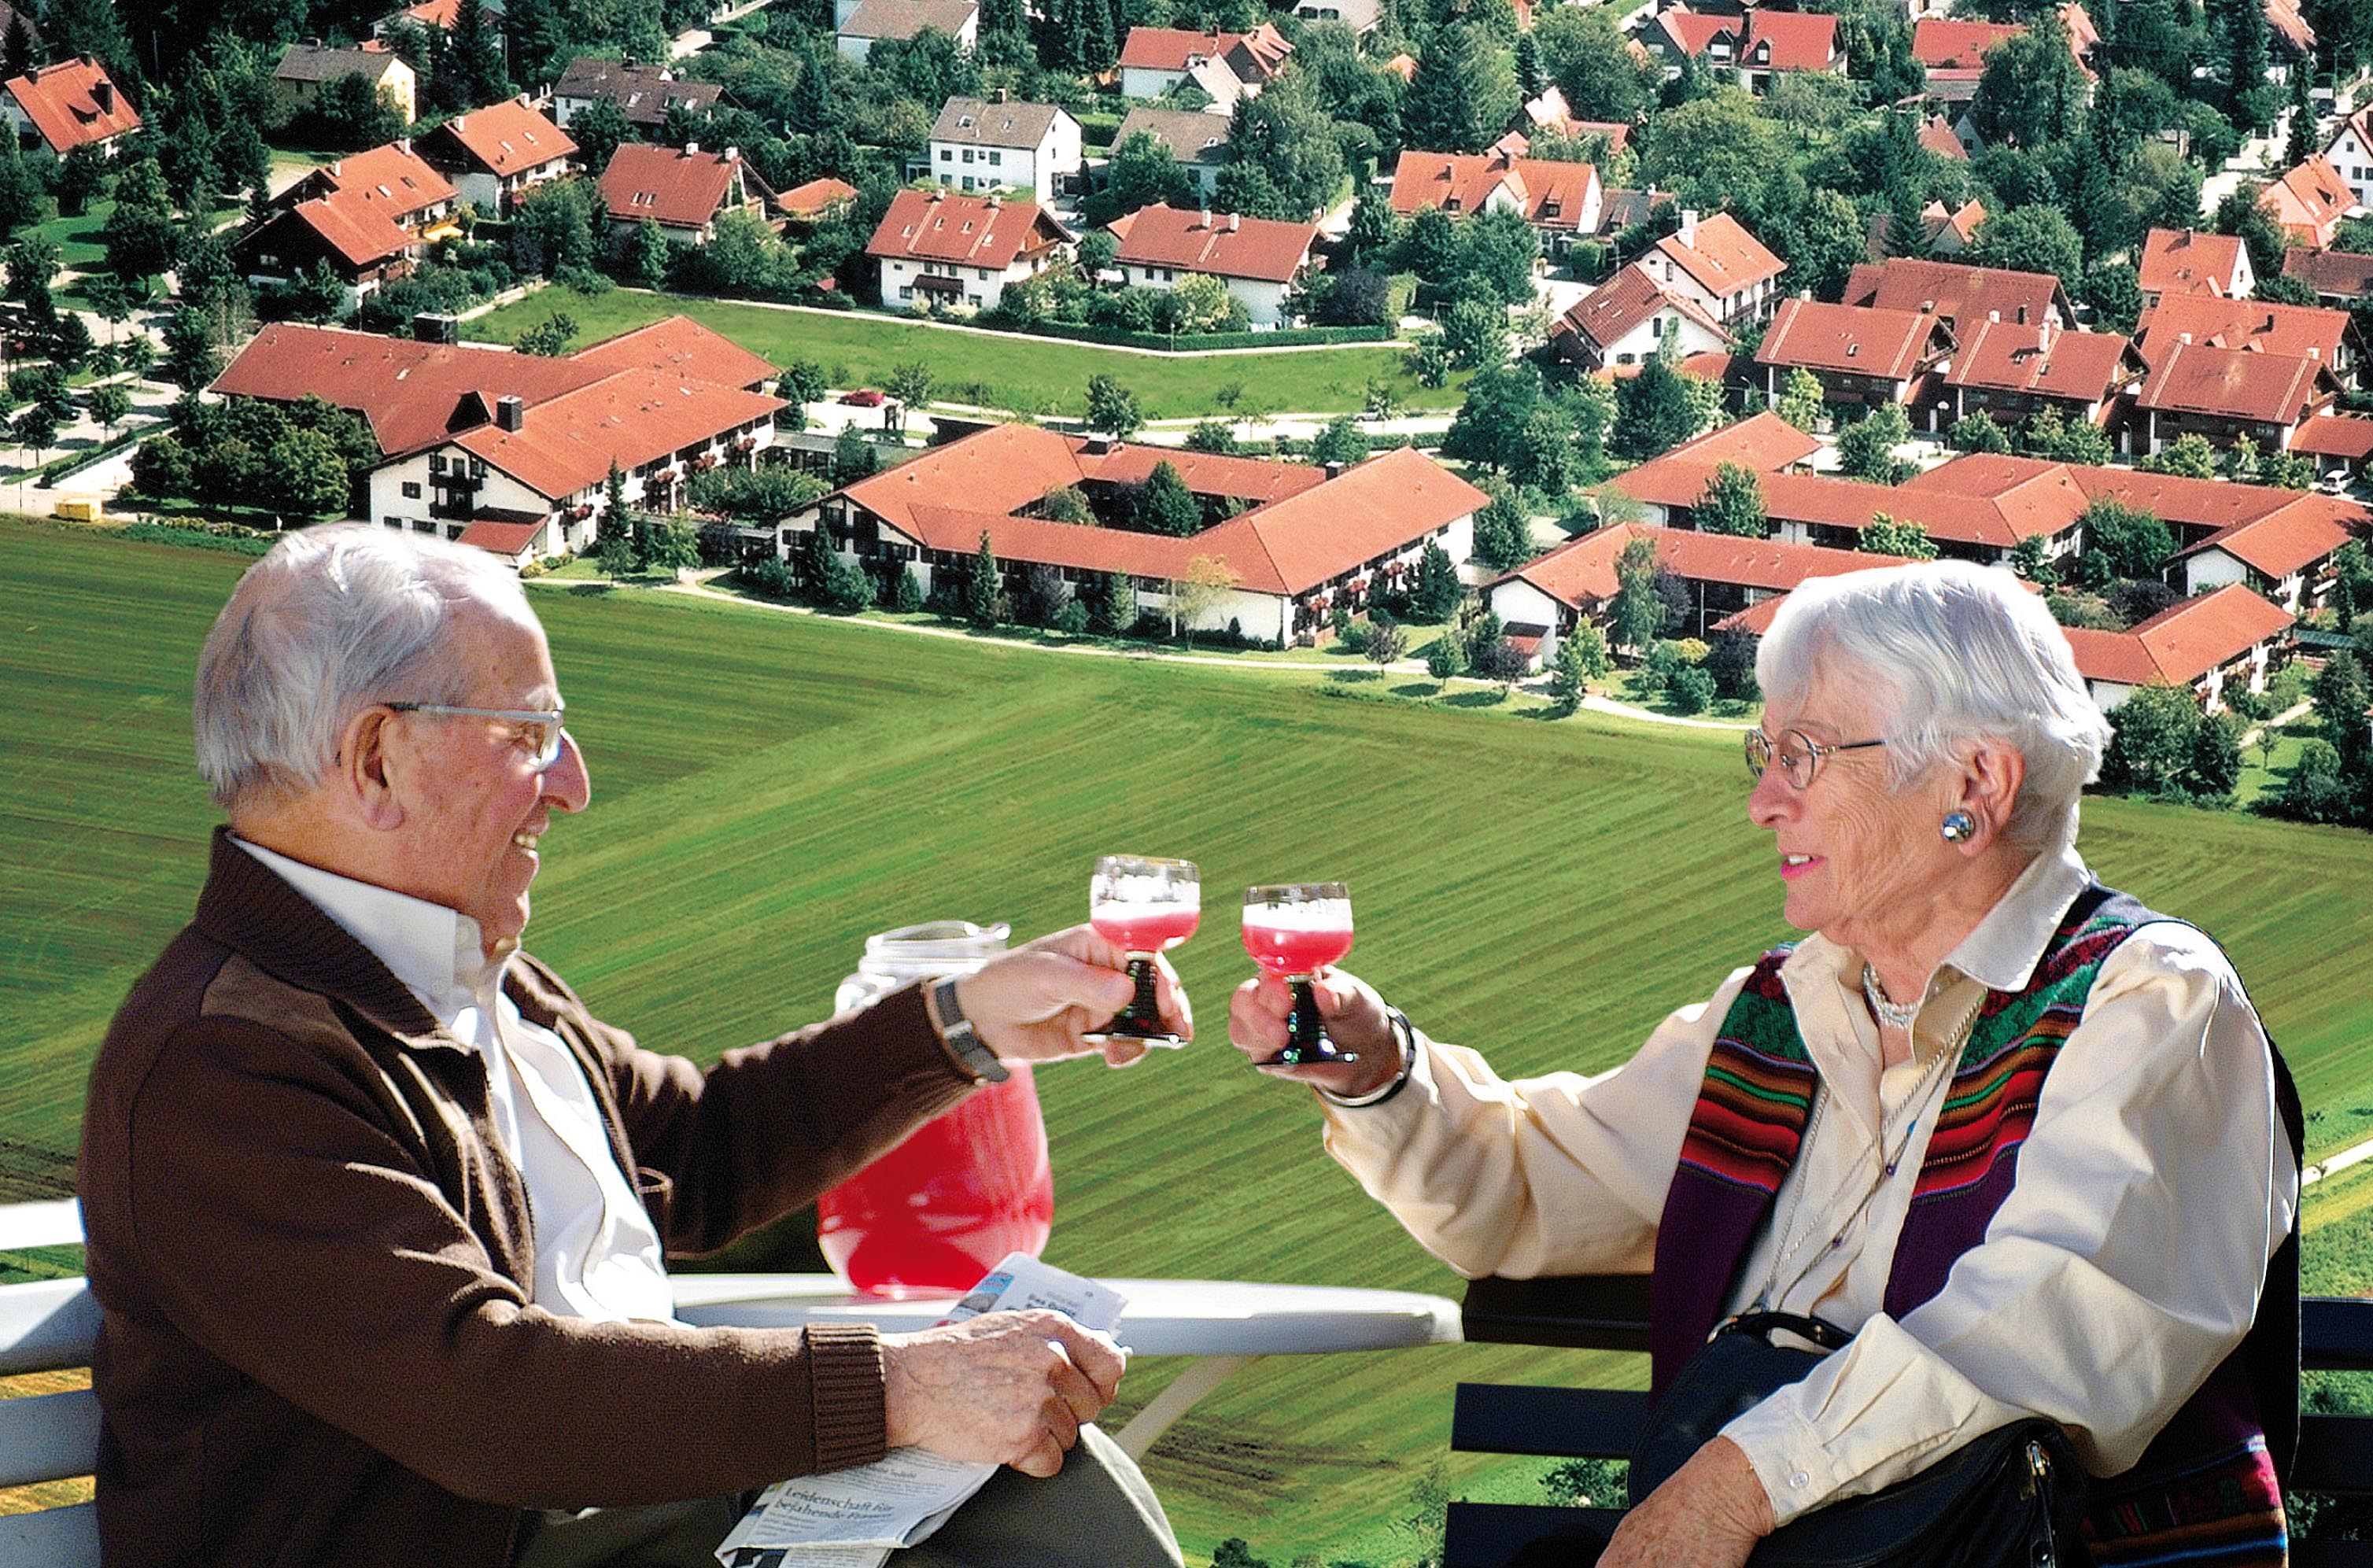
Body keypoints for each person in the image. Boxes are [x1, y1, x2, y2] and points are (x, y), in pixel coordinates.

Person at [78, 523, 1189, 1568]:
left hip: (641, 1522)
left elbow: (693, 1149)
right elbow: (488, 1394)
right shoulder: (221, 1063)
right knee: (1019, 1495)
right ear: (377, 760)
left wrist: (973, 1015)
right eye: (532, 737)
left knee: (1032, 1475)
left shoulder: (468, 977)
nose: (574, 784)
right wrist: (896, 1385)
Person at [1232, 561, 2301, 1568]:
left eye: (1808, 754)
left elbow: (2050, 1326)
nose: (1764, 800)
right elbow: (1522, 1190)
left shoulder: (2153, 1003)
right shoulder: (1783, 1009)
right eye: (1768, 753)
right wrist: (1375, 1067)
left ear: (1974, 782)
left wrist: (1730, 1489)